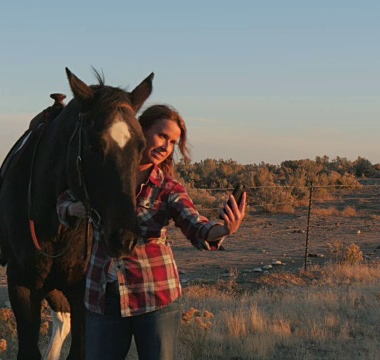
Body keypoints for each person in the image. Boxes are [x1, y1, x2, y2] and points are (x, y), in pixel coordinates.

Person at [56, 104, 247, 360]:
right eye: (161, 136)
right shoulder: (102, 176)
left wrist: (222, 229)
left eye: (173, 142)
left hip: (155, 297)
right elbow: (63, 201)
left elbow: (196, 225)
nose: (166, 146)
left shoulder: (167, 188)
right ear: (140, 131)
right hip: (103, 298)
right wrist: (74, 208)